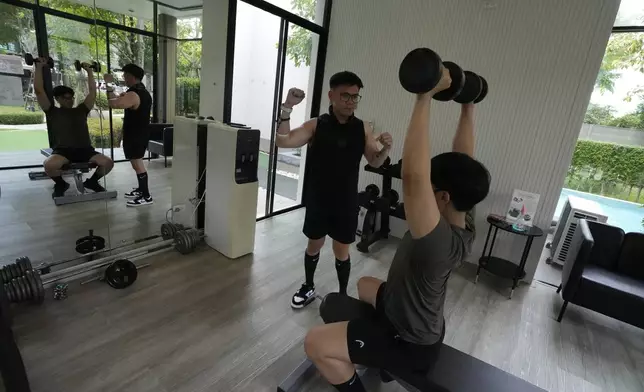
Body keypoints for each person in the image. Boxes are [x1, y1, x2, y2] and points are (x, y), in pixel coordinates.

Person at [303, 69, 491, 392]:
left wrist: (424, 96)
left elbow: (414, 177)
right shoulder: (462, 212)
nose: (424, 195)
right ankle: (379, 357)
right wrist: (468, 103)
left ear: (442, 198)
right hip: (420, 320)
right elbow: (463, 159)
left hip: (408, 343)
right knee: (363, 284)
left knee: (314, 343)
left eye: (432, 190)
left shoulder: (437, 242)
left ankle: (378, 366)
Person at [276, 71, 393, 309]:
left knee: (342, 250)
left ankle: (341, 295)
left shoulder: (363, 129)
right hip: (319, 199)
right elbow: (283, 141)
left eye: (355, 97)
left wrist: (386, 150)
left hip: (346, 202)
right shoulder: (316, 125)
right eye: (345, 96)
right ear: (332, 96)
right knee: (314, 245)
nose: (350, 101)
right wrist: (287, 107)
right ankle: (308, 286)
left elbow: (374, 161)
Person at [34, 58, 114, 199]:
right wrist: (39, 67)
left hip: (85, 150)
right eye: (65, 98)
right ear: (57, 99)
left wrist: (89, 71)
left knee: (108, 163)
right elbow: (39, 90)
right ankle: (60, 184)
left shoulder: (81, 109)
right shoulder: (52, 111)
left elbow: (92, 92)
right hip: (63, 151)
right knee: (49, 165)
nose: (69, 100)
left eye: (71, 97)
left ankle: (92, 182)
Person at [104, 64, 153, 207]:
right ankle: (141, 189)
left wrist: (108, 84)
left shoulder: (134, 94)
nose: (124, 78)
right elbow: (115, 100)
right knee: (135, 164)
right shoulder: (138, 91)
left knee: (138, 164)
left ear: (131, 76)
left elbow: (114, 104)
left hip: (137, 135)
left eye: (125, 75)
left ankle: (146, 196)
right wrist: (112, 91)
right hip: (136, 133)